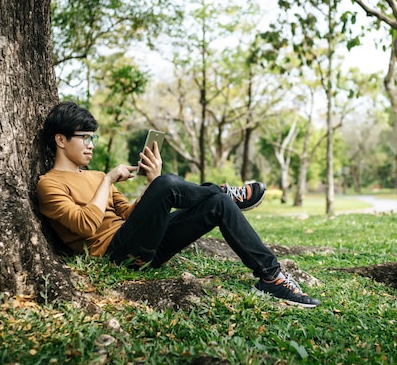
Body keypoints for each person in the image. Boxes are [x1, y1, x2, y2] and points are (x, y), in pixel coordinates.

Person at [37, 101, 320, 308]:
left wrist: (153, 181)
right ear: (61, 140)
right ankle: (218, 189)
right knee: (177, 187)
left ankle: (271, 277)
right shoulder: (49, 184)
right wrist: (109, 180)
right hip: (116, 254)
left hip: (146, 245)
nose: (90, 145)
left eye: (92, 138)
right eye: (84, 138)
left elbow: (130, 214)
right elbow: (85, 225)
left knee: (218, 204)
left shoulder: (96, 176)